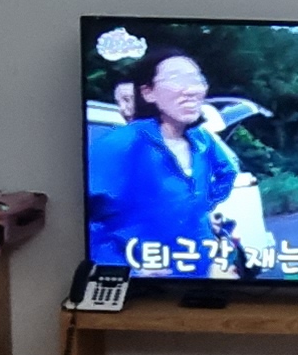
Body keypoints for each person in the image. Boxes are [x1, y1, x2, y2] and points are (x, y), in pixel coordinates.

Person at [83, 51, 238, 274]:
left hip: (201, 276)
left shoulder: (201, 138)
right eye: (177, 79)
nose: (191, 90)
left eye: (196, 80)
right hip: (148, 287)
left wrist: (201, 207)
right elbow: (82, 220)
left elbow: (227, 172)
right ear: (148, 93)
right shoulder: (120, 144)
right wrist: (126, 272)